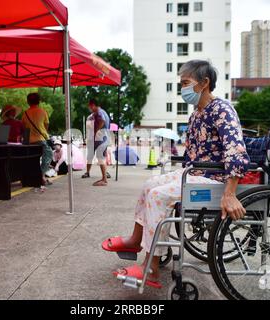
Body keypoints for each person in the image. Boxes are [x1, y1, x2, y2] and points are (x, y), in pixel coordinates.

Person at [102, 60, 250, 288]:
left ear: (204, 83)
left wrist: (229, 193)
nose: (183, 89)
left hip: (214, 178)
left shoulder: (222, 110)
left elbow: (236, 150)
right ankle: (135, 240)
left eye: (186, 83)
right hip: (196, 173)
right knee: (150, 183)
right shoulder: (196, 116)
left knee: (158, 196)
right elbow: (191, 155)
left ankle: (150, 267)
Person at [22, 93, 53, 186]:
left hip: (29, 142)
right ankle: (41, 176)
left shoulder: (25, 113)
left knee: (32, 160)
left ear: (28, 102)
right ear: (39, 101)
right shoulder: (43, 111)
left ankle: (34, 177)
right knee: (48, 155)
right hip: (41, 140)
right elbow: (46, 125)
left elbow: (24, 127)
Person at [81, 99, 111, 186]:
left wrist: (96, 130)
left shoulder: (99, 112)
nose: (89, 108)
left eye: (89, 106)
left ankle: (104, 180)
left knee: (100, 157)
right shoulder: (99, 112)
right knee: (101, 157)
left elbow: (102, 121)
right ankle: (104, 178)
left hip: (101, 138)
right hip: (103, 138)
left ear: (93, 105)